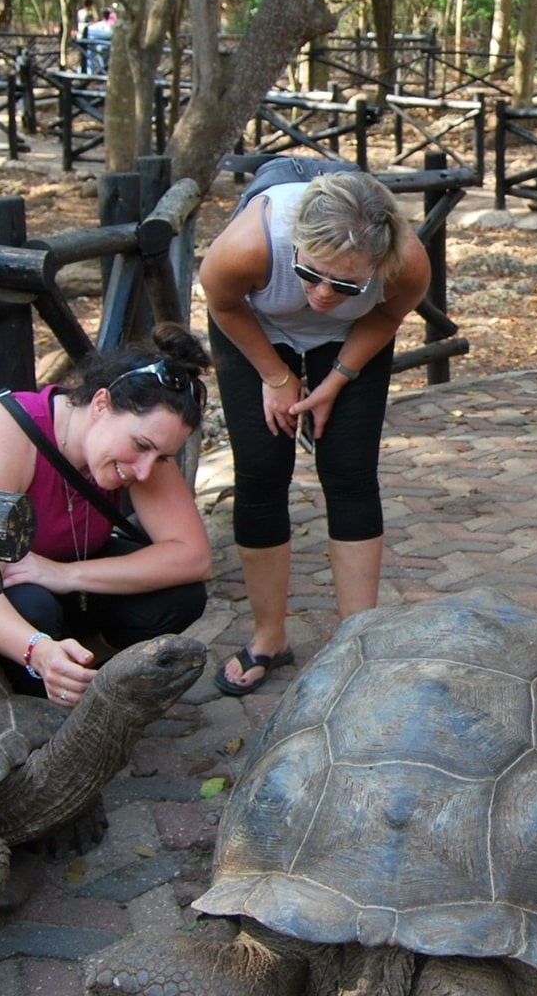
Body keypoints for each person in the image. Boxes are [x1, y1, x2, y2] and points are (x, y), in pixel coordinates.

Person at [201, 166, 431, 696]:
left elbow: (388, 315)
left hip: (351, 339)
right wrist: (276, 376)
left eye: (346, 283)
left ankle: (357, 641)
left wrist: (338, 378)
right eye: (312, 274)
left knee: (348, 471)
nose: (325, 294)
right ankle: (269, 638)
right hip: (256, 325)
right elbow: (223, 302)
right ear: (295, 246)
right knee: (262, 469)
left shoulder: (406, 263)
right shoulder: (248, 246)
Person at [0, 325, 213, 706]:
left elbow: (192, 557)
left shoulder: (139, 453)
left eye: (161, 457)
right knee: (34, 607)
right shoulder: (6, 434)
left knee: (177, 597)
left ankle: (91, 676)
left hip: (56, 583)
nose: (146, 471)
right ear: (100, 404)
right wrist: (37, 650)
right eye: (141, 446)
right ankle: (32, 698)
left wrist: (64, 574)